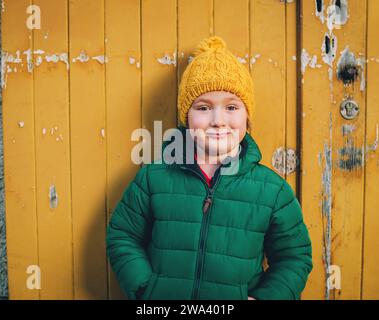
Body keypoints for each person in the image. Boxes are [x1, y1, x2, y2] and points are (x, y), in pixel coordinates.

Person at [106, 36, 312, 300]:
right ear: (186, 117)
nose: (217, 120)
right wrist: (147, 290)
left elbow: (294, 257)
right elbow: (122, 235)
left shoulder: (272, 191)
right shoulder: (154, 176)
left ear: (246, 116)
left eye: (231, 107)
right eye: (203, 108)